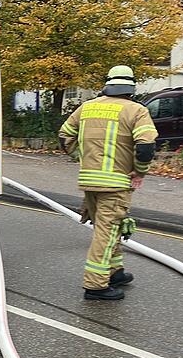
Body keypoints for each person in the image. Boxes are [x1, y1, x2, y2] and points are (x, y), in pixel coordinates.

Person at [58, 66, 158, 301]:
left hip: (89, 181)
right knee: (107, 231)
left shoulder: (87, 107)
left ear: (108, 84)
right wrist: (139, 172)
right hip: (115, 183)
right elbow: (145, 148)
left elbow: (64, 137)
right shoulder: (137, 110)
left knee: (108, 227)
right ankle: (95, 285)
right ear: (131, 88)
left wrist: (81, 158)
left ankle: (114, 272)